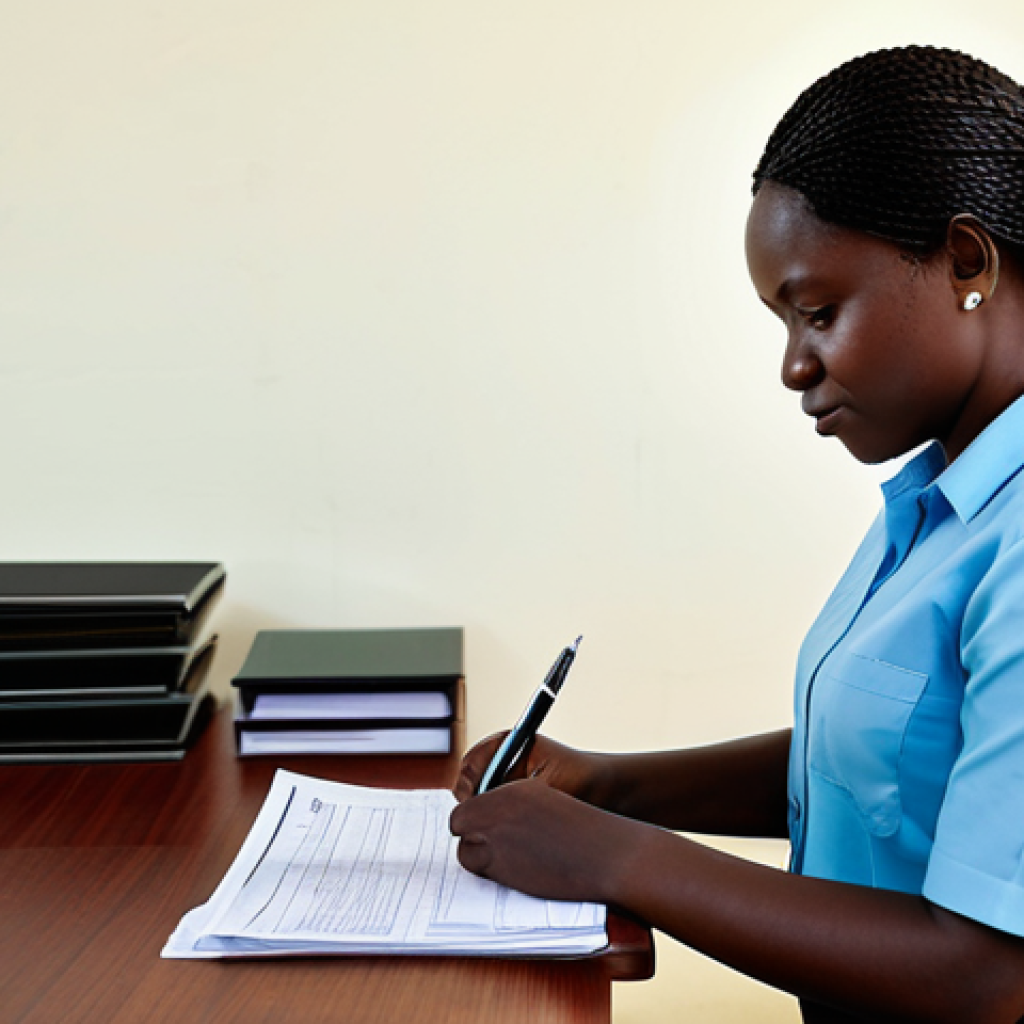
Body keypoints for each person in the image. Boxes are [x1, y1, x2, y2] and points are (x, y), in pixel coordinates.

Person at [449, 46, 1024, 1024]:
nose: (794, 367)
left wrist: (615, 856)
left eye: (817, 312)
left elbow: (985, 973)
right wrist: (609, 786)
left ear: (965, 262)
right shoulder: (938, 503)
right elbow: (879, 762)